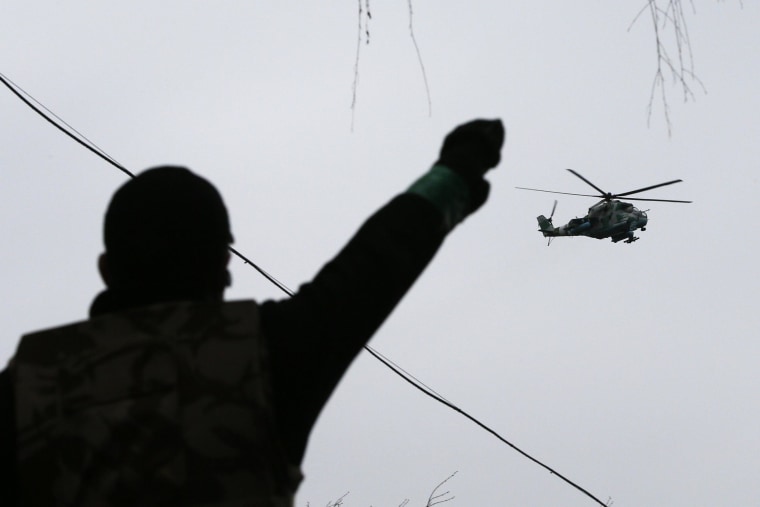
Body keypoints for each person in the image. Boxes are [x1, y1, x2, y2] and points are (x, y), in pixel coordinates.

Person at [0, 118, 505, 506]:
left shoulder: (25, 384)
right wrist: (456, 173)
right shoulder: (265, 354)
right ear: (222, 265)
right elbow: (377, 261)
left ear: (107, 268)